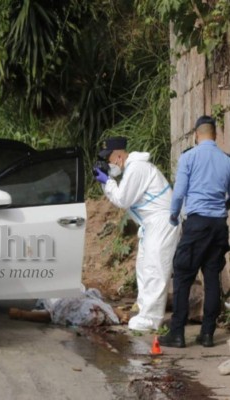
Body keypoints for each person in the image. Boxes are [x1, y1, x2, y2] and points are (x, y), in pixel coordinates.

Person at [94, 136, 181, 331]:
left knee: (154, 270)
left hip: (161, 222)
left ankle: (150, 320)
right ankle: (143, 309)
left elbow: (122, 199)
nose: (108, 164)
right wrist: (106, 182)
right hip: (151, 224)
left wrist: (107, 181)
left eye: (108, 160)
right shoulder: (132, 169)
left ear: (117, 156)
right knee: (143, 267)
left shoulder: (136, 169)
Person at [159, 115, 230, 348]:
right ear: (215, 135)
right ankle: (207, 334)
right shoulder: (227, 160)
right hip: (219, 226)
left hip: (197, 224)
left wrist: (173, 215)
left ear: (196, 135)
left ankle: (177, 334)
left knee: (182, 275)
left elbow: (179, 193)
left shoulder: (189, 157)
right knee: (212, 279)